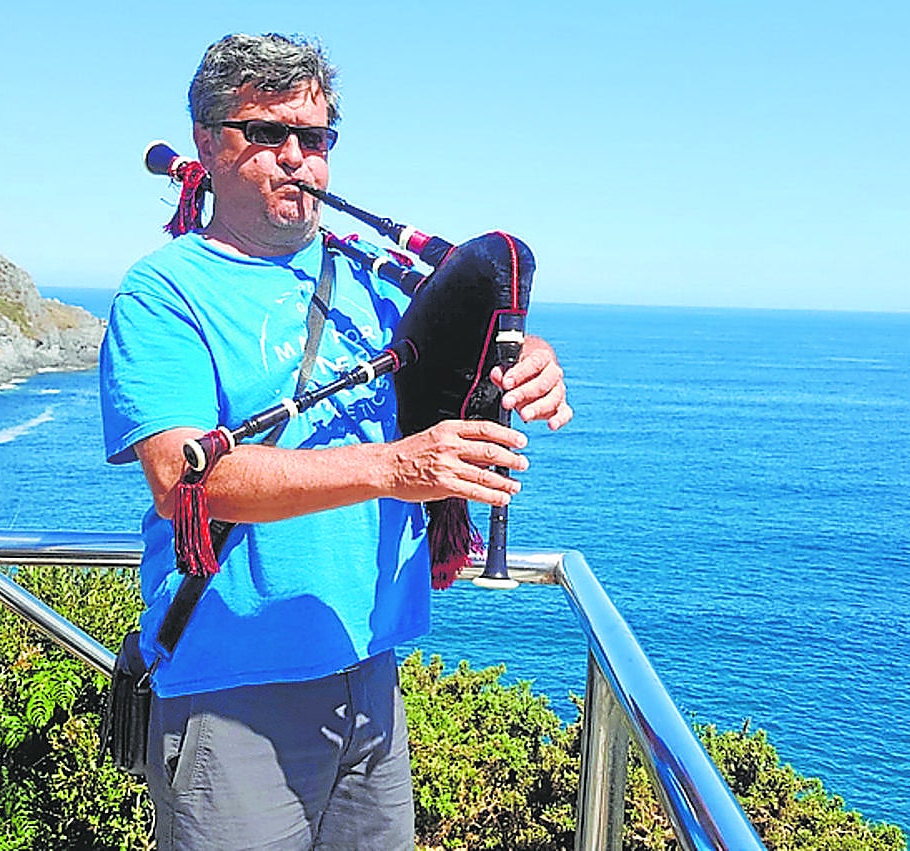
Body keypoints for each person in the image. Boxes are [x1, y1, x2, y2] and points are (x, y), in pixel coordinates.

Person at [99, 32, 573, 851]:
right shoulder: (164, 292)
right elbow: (186, 484)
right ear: (210, 143)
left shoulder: (372, 276)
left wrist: (532, 357)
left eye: (314, 139)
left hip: (372, 671)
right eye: (268, 134)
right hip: (232, 682)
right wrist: (394, 467)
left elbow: (457, 353)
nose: (297, 159)